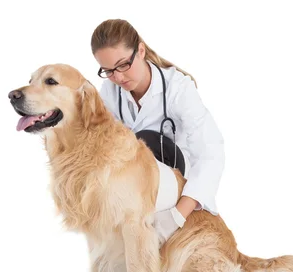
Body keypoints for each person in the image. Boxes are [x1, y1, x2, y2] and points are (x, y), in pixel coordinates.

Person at [91, 18, 225, 241]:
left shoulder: (178, 88)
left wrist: (177, 216)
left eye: (123, 64)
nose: (119, 77)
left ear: (140, 51)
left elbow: (211, 153)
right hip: (133, 196)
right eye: (108, 70)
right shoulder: (110, 91)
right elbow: (102, 144)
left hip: (176, 195)